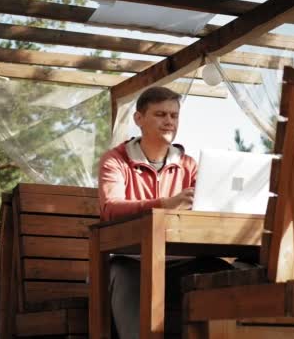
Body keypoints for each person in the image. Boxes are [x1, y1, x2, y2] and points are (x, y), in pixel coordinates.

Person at [98, 86, 234, 338]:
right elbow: (110, 208)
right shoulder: (115, 160)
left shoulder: (189, 165)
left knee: (224, 271)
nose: (169, 121)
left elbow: (206, 207)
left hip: (177, 261)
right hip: (128, 260)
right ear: (139, 119)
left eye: (174, 115)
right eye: (160, 114)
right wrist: (165, 204)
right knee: (128, 276)